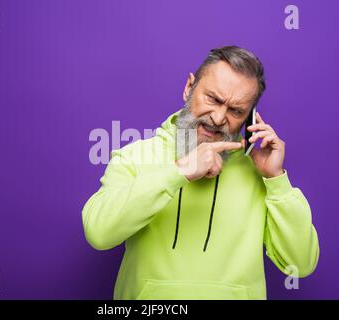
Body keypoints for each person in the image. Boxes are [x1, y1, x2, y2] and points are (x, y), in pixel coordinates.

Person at [82, 45, 319, 300]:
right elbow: (99, 233)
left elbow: (301, 264)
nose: (218, 118)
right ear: (189, 87)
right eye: (213, 99)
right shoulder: (134, 156)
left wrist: (276, 180)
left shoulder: (260, 173)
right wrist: (179, 171)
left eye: (235, 111)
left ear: (249, 117)